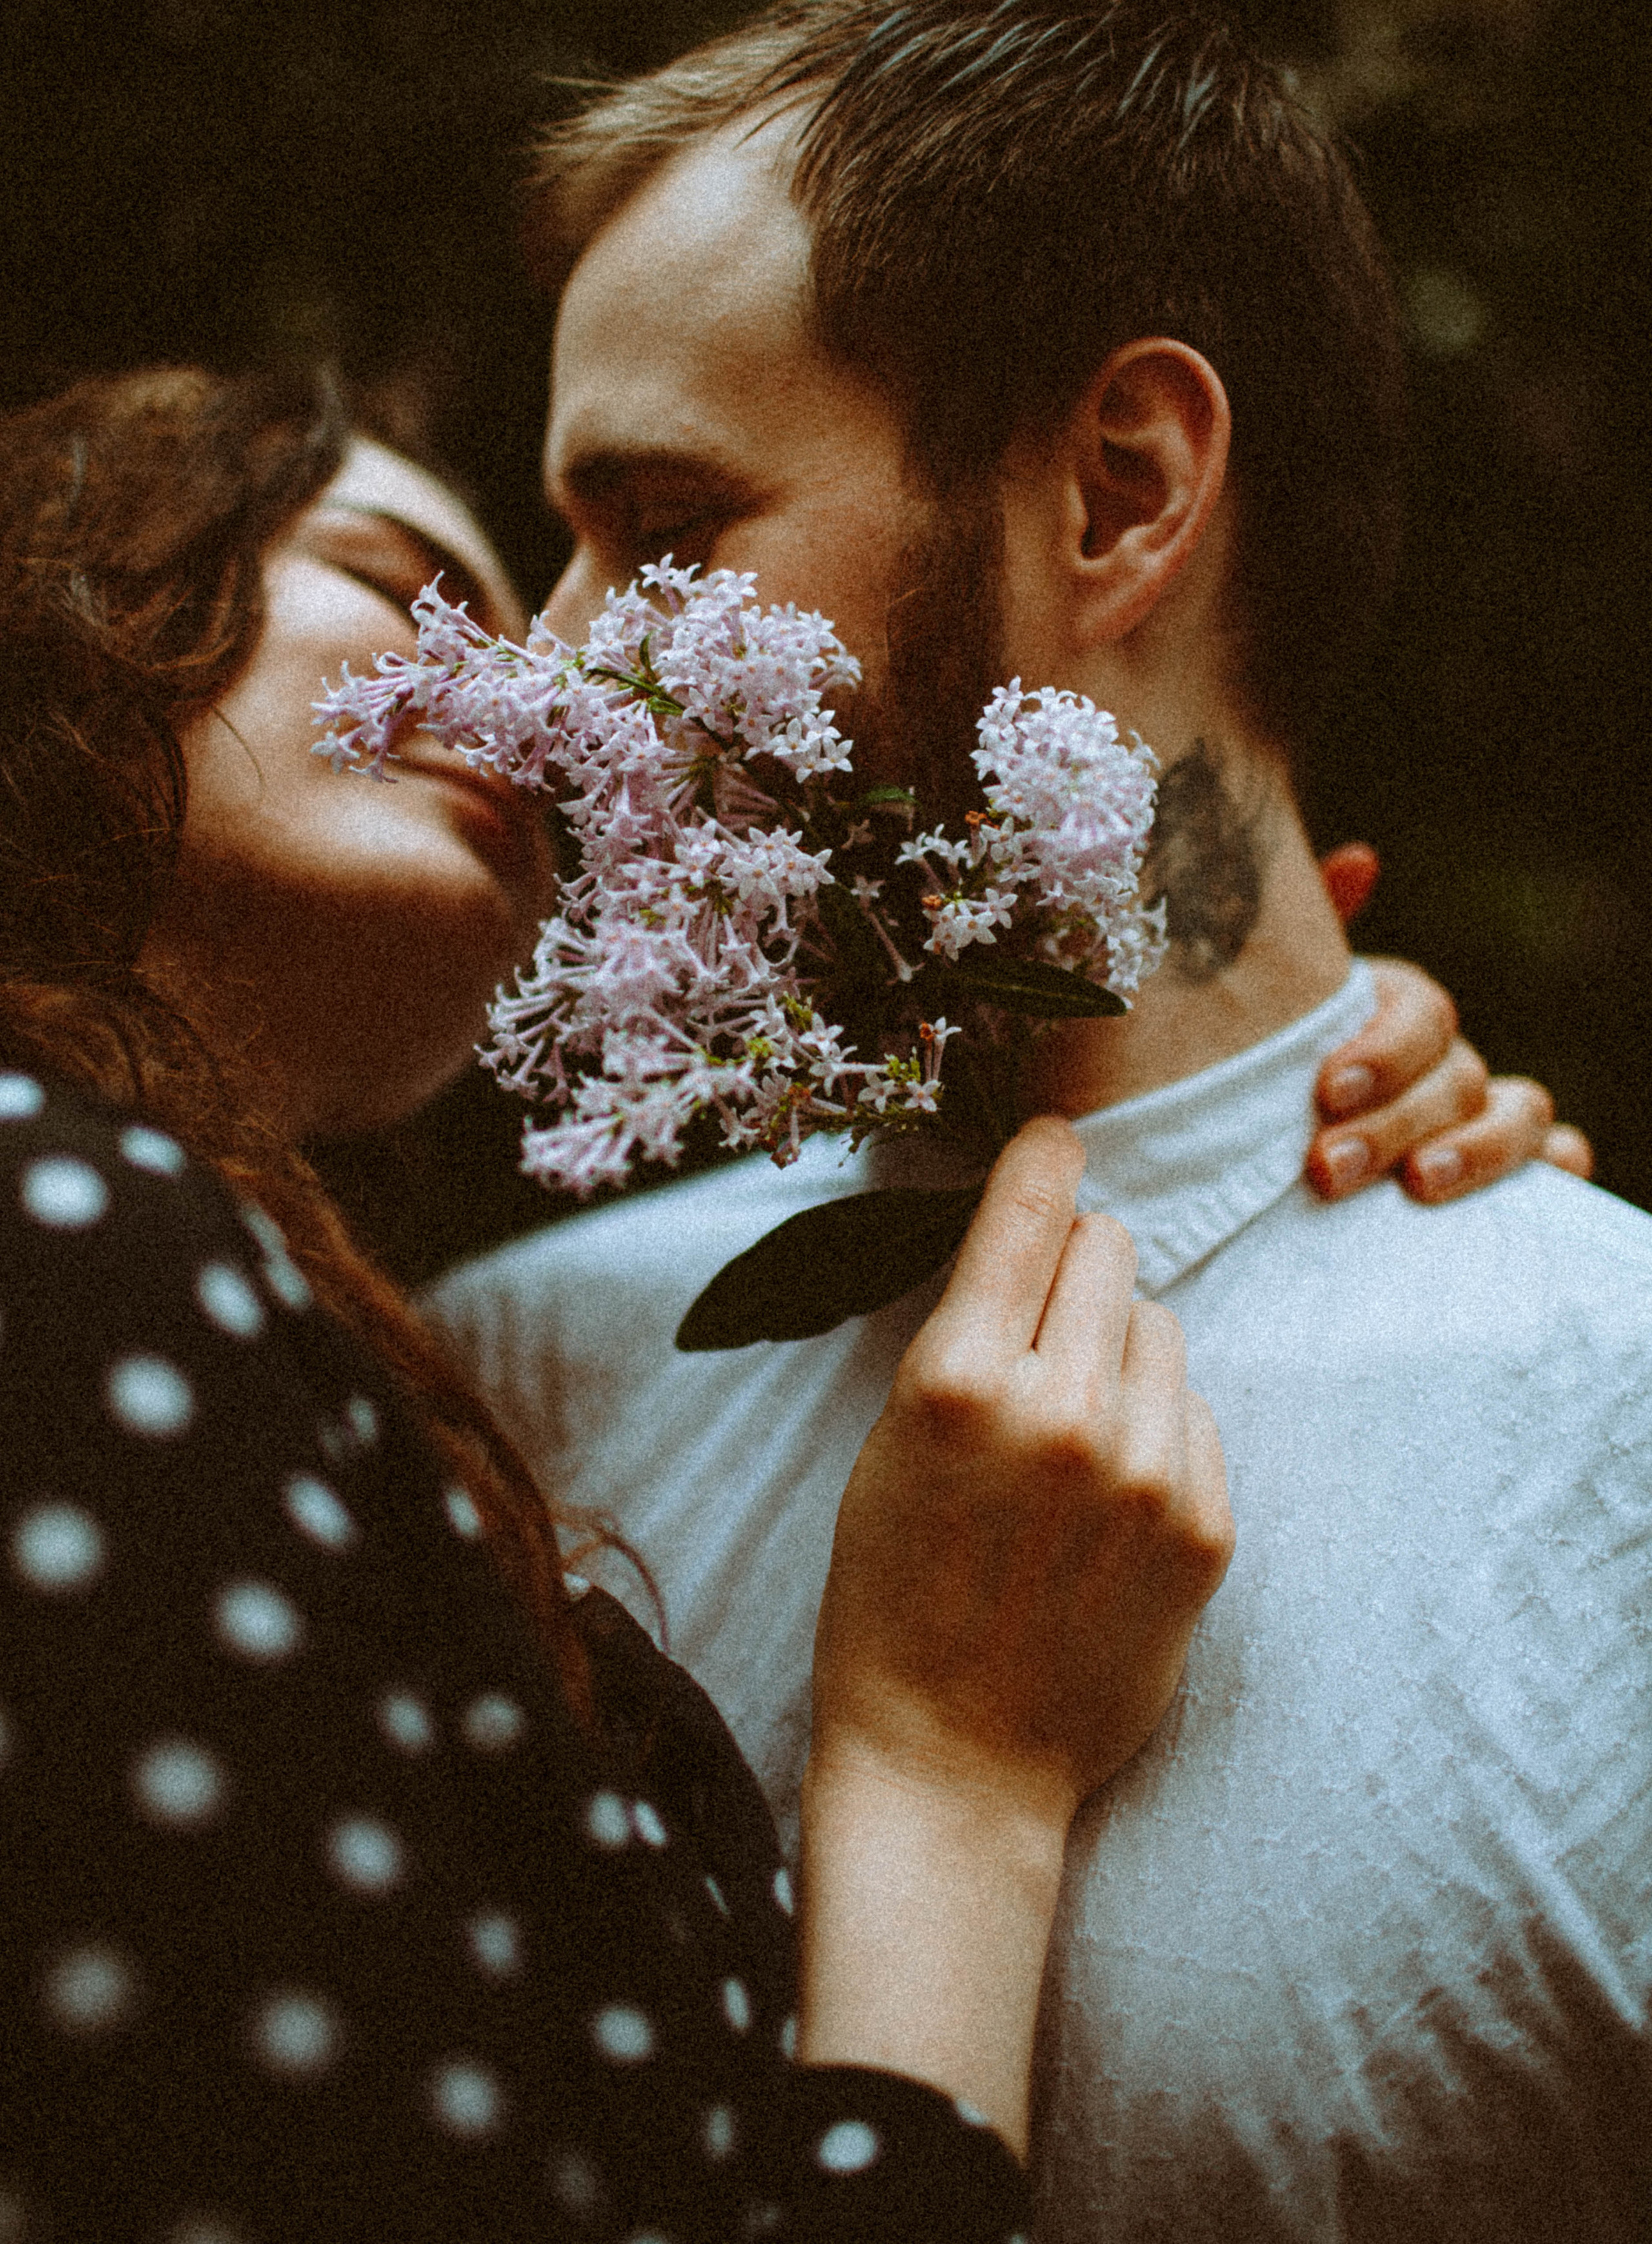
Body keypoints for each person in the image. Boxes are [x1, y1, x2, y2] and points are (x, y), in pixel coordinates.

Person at [426, 0, 1652, 2242]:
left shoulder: (1620, 1449)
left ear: (1120, 494)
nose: (558, 666)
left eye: (668, 528)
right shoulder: (502, 1386)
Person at [0, 363, 1247, 2243]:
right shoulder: (70, 1222)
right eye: (401, 575)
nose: (551, 697)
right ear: (75, 599)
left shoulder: (303, 1319)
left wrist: (1269, 1081)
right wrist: (942, 1771)